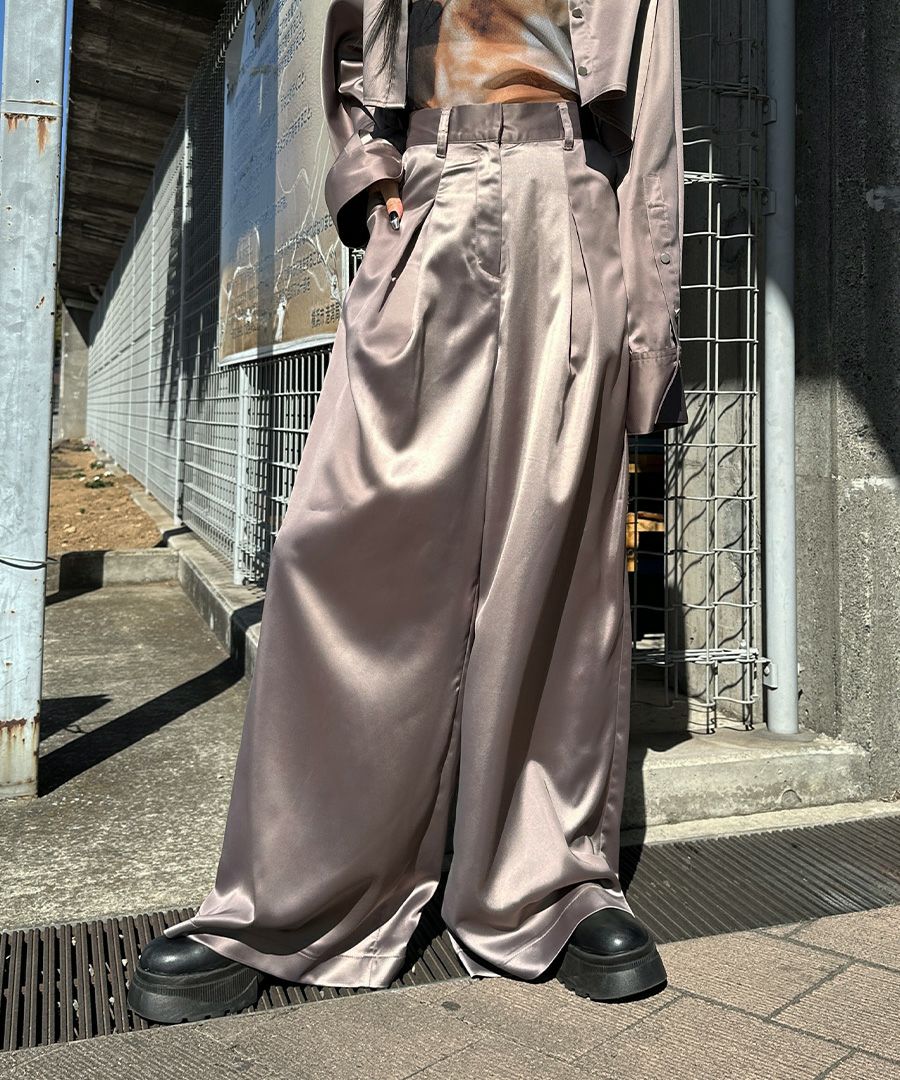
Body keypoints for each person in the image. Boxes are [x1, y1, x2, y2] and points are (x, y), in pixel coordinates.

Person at [127, 0, 688, 1025]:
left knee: (551, 574)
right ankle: (292, 894)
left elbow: (650, 121)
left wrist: (647, 336)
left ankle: (546, 886)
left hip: (569, 201)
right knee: (341, 546)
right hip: (427, 196)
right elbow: (344, 47)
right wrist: (370, 177)